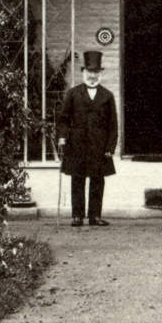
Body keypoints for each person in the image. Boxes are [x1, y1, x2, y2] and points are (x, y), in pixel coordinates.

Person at [57, 50, 119, 227]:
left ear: (100, 74)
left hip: (99, 145)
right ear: (84, 72)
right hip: (76, 144)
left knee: (97, 180)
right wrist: (62, 138)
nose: (93, 76)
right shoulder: (73, 93)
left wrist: (110, 147)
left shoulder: (107, 96)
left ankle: (95, 216)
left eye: (96, 72)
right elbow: (64, 119)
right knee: (77, 179)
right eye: (90, 72)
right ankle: (77, 216)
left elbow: (113, 125)